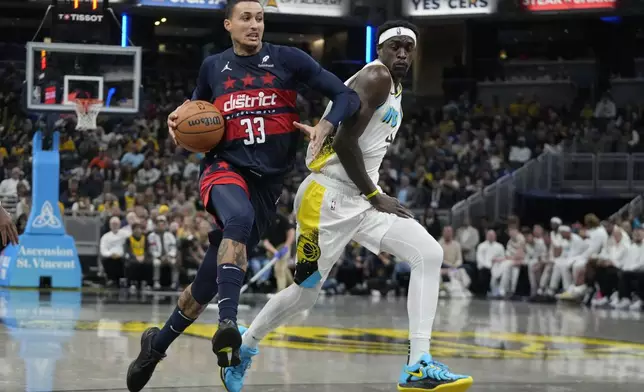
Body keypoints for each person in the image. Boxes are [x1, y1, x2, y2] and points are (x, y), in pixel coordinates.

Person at [220, 20, 473, 392]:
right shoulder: (377, 76)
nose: (402, 53)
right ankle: (246, 346)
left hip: (359, 195)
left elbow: (338, 130)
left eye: (408, 47)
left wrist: (365, 188)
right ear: (380, 50)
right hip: (330, 197)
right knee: (305, 295)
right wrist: (375, 194)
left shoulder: (393, 86)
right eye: (394, 47)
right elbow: (343, 144)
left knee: (429, 253)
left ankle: (418, 363)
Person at [126, 1, 360, 391]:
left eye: (260, 18)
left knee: (203, 288)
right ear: (228, 24)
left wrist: (325, 125)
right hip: (224, 169)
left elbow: (346, 97)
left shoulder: (289, 60)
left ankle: (156, 344)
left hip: (267, 187)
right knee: (238, 219)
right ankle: (229, 324)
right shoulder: (213, 67)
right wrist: (176, 118)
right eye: (246, 18)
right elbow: (192, 109)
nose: (254, 25)